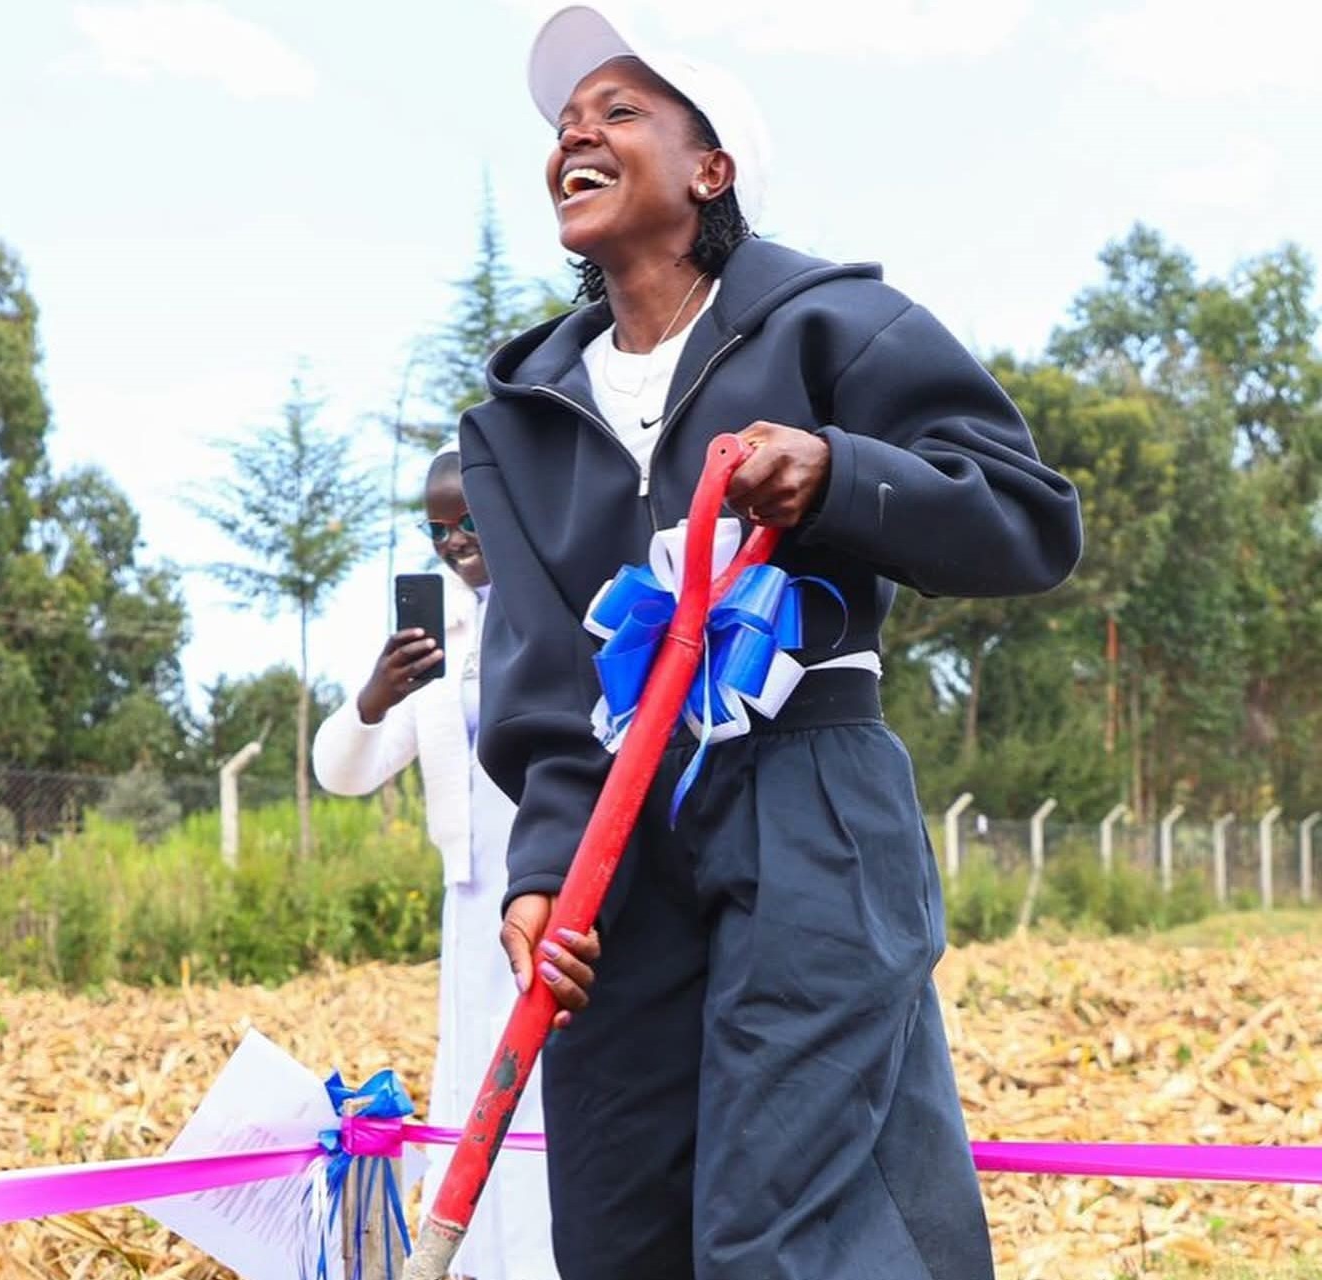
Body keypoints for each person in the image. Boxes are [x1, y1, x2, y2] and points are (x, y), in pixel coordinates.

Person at [457, 7, 1085, 1280]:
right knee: (618, 1217)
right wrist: (542, 869)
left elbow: (1030, 521)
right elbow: (539, 668)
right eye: (569, 122)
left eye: (621, 111)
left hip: (807, 791)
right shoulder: (519, 419)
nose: (578, 129)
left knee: (780, 1231)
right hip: (617, 841)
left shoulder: (833, 325)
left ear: (711, 169)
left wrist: (843, 473)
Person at [312, 449, 561, 1280]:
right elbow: (341, 773)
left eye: (469, 522)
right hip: (473, 899)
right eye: (437, 529)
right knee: (474, 1097)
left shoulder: (558, 599)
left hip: (557, 890)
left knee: (548, 1103)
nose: (454, 542)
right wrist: (375, 698)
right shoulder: (439, 634)